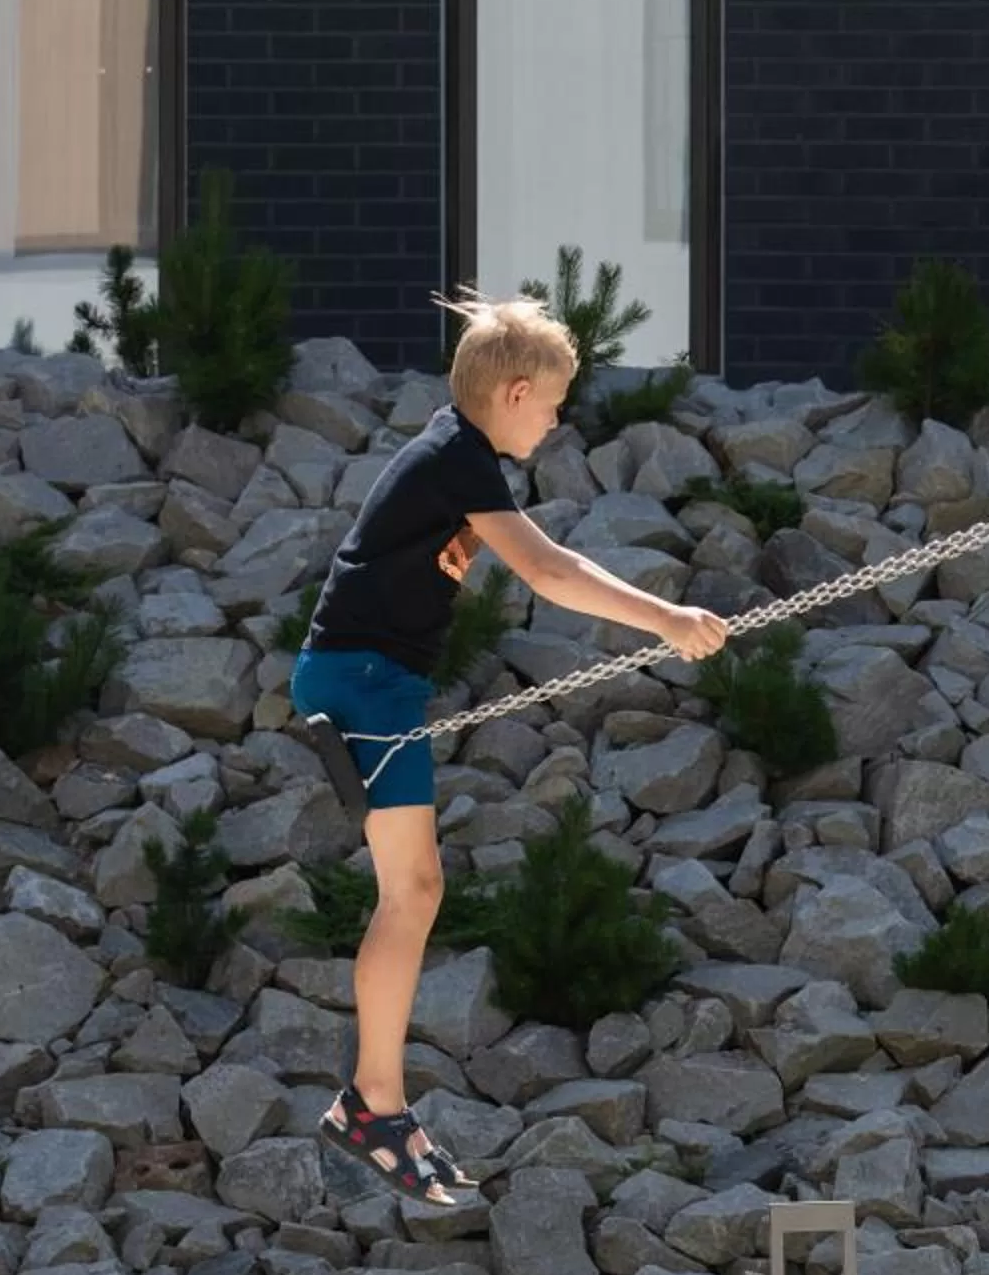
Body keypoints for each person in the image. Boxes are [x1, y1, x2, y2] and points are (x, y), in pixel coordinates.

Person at [291, 292, 728, 1203]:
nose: (560, 420)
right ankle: (373, 1105)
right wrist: (667, 620)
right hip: (362, 680)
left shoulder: (457, 453)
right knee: (410, 891)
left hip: (373, 681)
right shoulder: (459, 456)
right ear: (519, 391)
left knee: (414, 891)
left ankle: (377, 1104)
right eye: (556, 404)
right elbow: (549, 570)